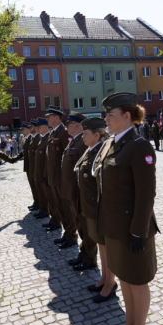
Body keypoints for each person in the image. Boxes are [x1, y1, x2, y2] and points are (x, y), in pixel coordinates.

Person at [93, 92, 160, 325]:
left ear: (127, 116)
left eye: (110, 115)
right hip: (114, 227)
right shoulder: (111, 143)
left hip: (133, 229)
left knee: (137, 281)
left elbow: (146, 194)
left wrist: (137, 232)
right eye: (106, 115)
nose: (106, 119)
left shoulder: (139, 146)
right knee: (124, 279)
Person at [72, 118, 109, 277]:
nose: (82, 137)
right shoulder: (91, 149)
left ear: (96, 135)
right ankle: (104, 277)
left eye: (85, 133)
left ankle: (107, 278)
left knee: (101, 243)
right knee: (90, 236)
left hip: (95, 205)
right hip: (86, 203)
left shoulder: (101, 151)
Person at [56, 112, 88, 255]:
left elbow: (82, 169)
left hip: (77, 190)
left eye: (68, 124)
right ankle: (84, 254)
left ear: (77, 125)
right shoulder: (74, 141)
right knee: (78, 222)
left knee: (83, 225)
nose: (66, 127)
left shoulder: (82, 143)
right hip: (70, 188)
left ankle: (88, 257)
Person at [43, 105, 69, 232]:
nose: (47, 119)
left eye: (49, 117)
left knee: (64, 207)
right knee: (57, 204)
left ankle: (70, 234)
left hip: (60, 177)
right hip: (53, 176)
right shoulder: (53, 132)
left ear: (57, 118)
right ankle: (60, 226)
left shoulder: (64, 132)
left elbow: (68, 156)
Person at [33, 118, 52, 220]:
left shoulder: (48, 138)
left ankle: (46, 210)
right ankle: (44, 209)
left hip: (44, 172)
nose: (37, 129)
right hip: (40, 172)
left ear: (45, 127)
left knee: (46, 194)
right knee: (42, 193)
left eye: (39, 127)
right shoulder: (42, 138)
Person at [28, 120, 41, 211]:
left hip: (38, 168)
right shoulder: (34, 138)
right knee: (35, 188)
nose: (30, 129)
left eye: (31, 127)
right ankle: (37, 203)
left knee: (39, 189)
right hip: (32, 167)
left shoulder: (39, 138)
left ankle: (41, 206)